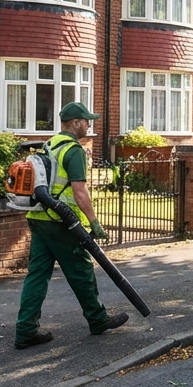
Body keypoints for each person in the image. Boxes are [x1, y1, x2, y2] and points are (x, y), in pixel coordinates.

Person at [14, 102, 129, 349]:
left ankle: (25, 330)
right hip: (61, 222)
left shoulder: (49, 145)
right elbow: (79, 192)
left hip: (38, 218)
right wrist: (94, 223)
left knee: (37, 275)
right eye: (87, 121)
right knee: (81, 271)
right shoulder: (74, 150)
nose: (89, 125)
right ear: (76, 123)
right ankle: (97, 319)